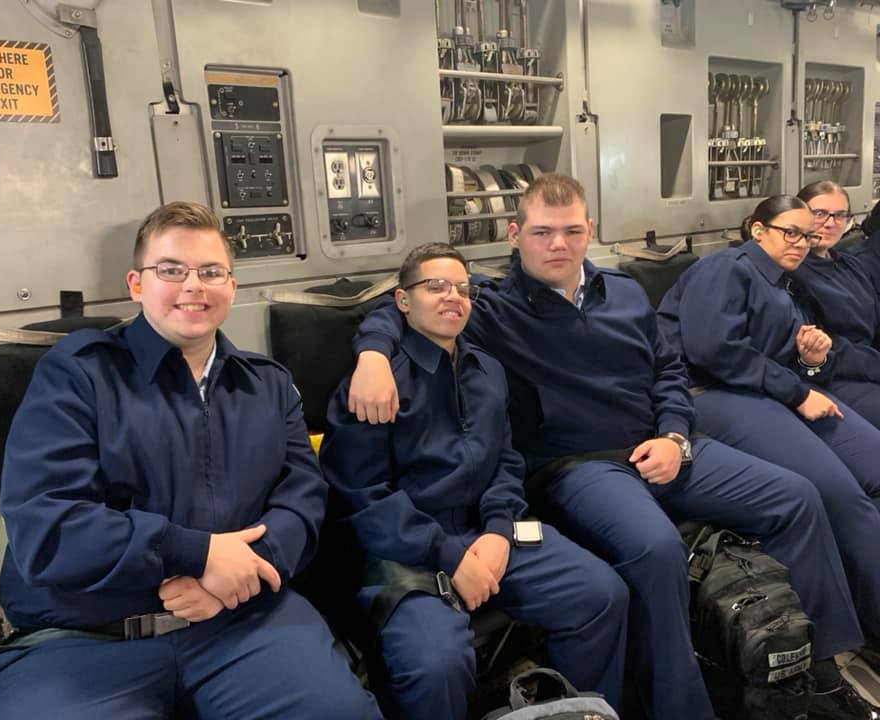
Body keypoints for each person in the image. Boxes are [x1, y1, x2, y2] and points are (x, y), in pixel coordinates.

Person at [348, 174, 867, 720]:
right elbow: (397, 306)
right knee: (656, 547)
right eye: (542, 232)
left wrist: (671, 434)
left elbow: (668, 371)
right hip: (577, 466)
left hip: (663, 443)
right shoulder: (492, 307)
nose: (558, 244)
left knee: (796, 498)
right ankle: (679, 709)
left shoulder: (623, 292)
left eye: (572, 231)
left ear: (589, 231)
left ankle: (816, 675)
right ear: (515, 234)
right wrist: (372, 356)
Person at [0, 201, 382, 719]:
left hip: (243, 622)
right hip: (86, 641)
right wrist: (198, 555)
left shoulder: (267, 384)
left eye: (211, 271)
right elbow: (48, 528)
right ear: (136, 284)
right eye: (171, 270)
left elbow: (302, 498)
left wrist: (237, 577)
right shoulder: (78, 376)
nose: (194, 285)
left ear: (231, 287)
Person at [320, 243, 628, 720]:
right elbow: (363, 499)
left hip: (486, 533)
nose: (452, 297)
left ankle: (575, 711)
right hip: (406, 548)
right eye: (435, 286)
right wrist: (449, 555)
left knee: (599, 594)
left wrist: (499, 530)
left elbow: (506, 461)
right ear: (403, 301)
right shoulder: (374, 385)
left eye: (462, 288)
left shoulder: (488, 371)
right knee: (436, 662)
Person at [658, 194, 880, 699]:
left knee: (874, 471)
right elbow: (713, 350)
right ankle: (839, 645)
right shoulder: (725, 269)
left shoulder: (787, 287)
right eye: (790, 232)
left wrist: (810, 363)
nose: (801, 243)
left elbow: (789, 361)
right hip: (710, 396)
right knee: (834, 492)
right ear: (757, 230)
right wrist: (798, 391)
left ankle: (869, 602)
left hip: (769, 391)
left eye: (808, 235)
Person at [791, 180, 880, 427]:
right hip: (833, 375)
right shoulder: (793, 273)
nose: (830, 223)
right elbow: (825, 345)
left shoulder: (850, 265)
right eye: (819, 214)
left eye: (840, 215)